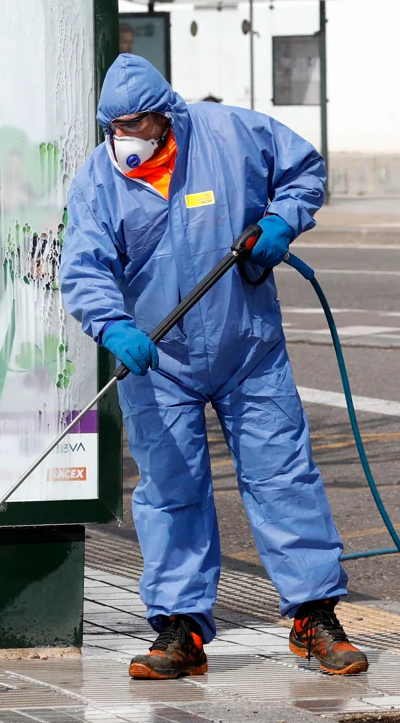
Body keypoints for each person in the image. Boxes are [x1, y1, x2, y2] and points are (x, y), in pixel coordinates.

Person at [60, 54, 367, 680]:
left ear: (164, 115)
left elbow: (303, 168)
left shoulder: (230, 135)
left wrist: (281, 220)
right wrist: (113, 325)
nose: (127, 137)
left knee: (282, 476)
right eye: (114, 127)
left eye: (136, 123)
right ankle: (179, 630)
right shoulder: (99, 180)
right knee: (171, 491)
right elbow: (85, 266)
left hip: (246, 348)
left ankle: (314, 617)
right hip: (160, 361)